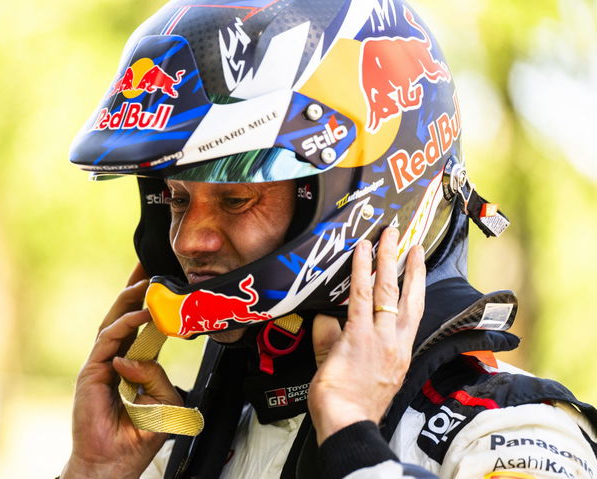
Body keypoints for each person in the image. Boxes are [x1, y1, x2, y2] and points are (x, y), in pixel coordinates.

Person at [61, 0, 597, 477]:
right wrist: (94, 470)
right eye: (178, 200)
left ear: (360, 190)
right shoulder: (180, 431)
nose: (189, 241)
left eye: (235, 199)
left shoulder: (516, 436)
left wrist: (349, 436)